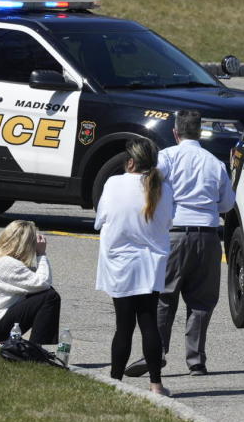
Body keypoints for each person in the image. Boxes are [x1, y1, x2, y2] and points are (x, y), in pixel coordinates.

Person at [125, 110, 234, 378]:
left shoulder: (167, 157)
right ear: (200, 132)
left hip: (174, 233)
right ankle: (196, 361)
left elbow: (149, 188)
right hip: (208, 236)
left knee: (164, 296)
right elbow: (227, 204)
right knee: (201, 301)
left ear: (176, 132)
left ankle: (157, 352)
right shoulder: (214, 163)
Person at [95, 139, 175, 396]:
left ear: (130, 162)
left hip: (120, 262)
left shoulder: (113, 183)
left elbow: (101, 219)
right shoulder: (163, 188)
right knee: (148, 320)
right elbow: (168, 222)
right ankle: (156, 384)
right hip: (150, 263)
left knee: (124, 325)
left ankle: (116, 380)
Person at [0, 219, 61, 345]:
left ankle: (34, 349)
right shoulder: (8, 264)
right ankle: (35, 351)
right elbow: (43, 282)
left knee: (45, 294)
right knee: (50, 297)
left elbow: (36, 282)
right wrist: (41, 254)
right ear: (26, 244)